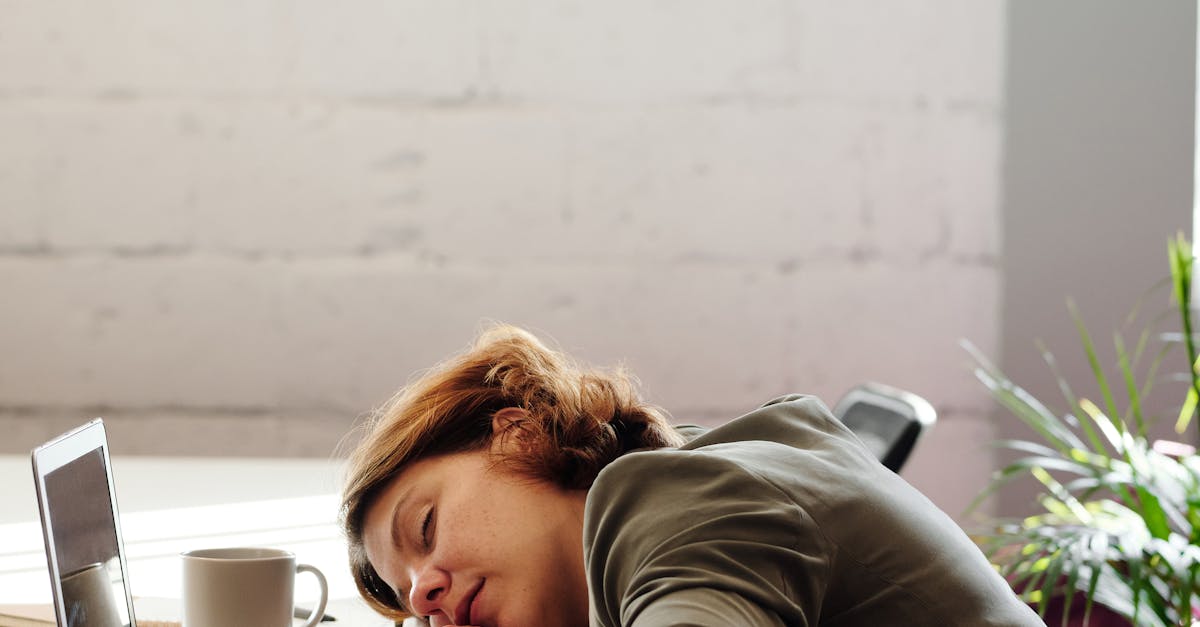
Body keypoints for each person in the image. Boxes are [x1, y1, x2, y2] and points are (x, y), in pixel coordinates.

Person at [339, 324, 1044, 627]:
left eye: (425, 527)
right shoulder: (688, 472)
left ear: (518, 433)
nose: (425, 592)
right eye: (409, 598)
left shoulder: (671, 508)